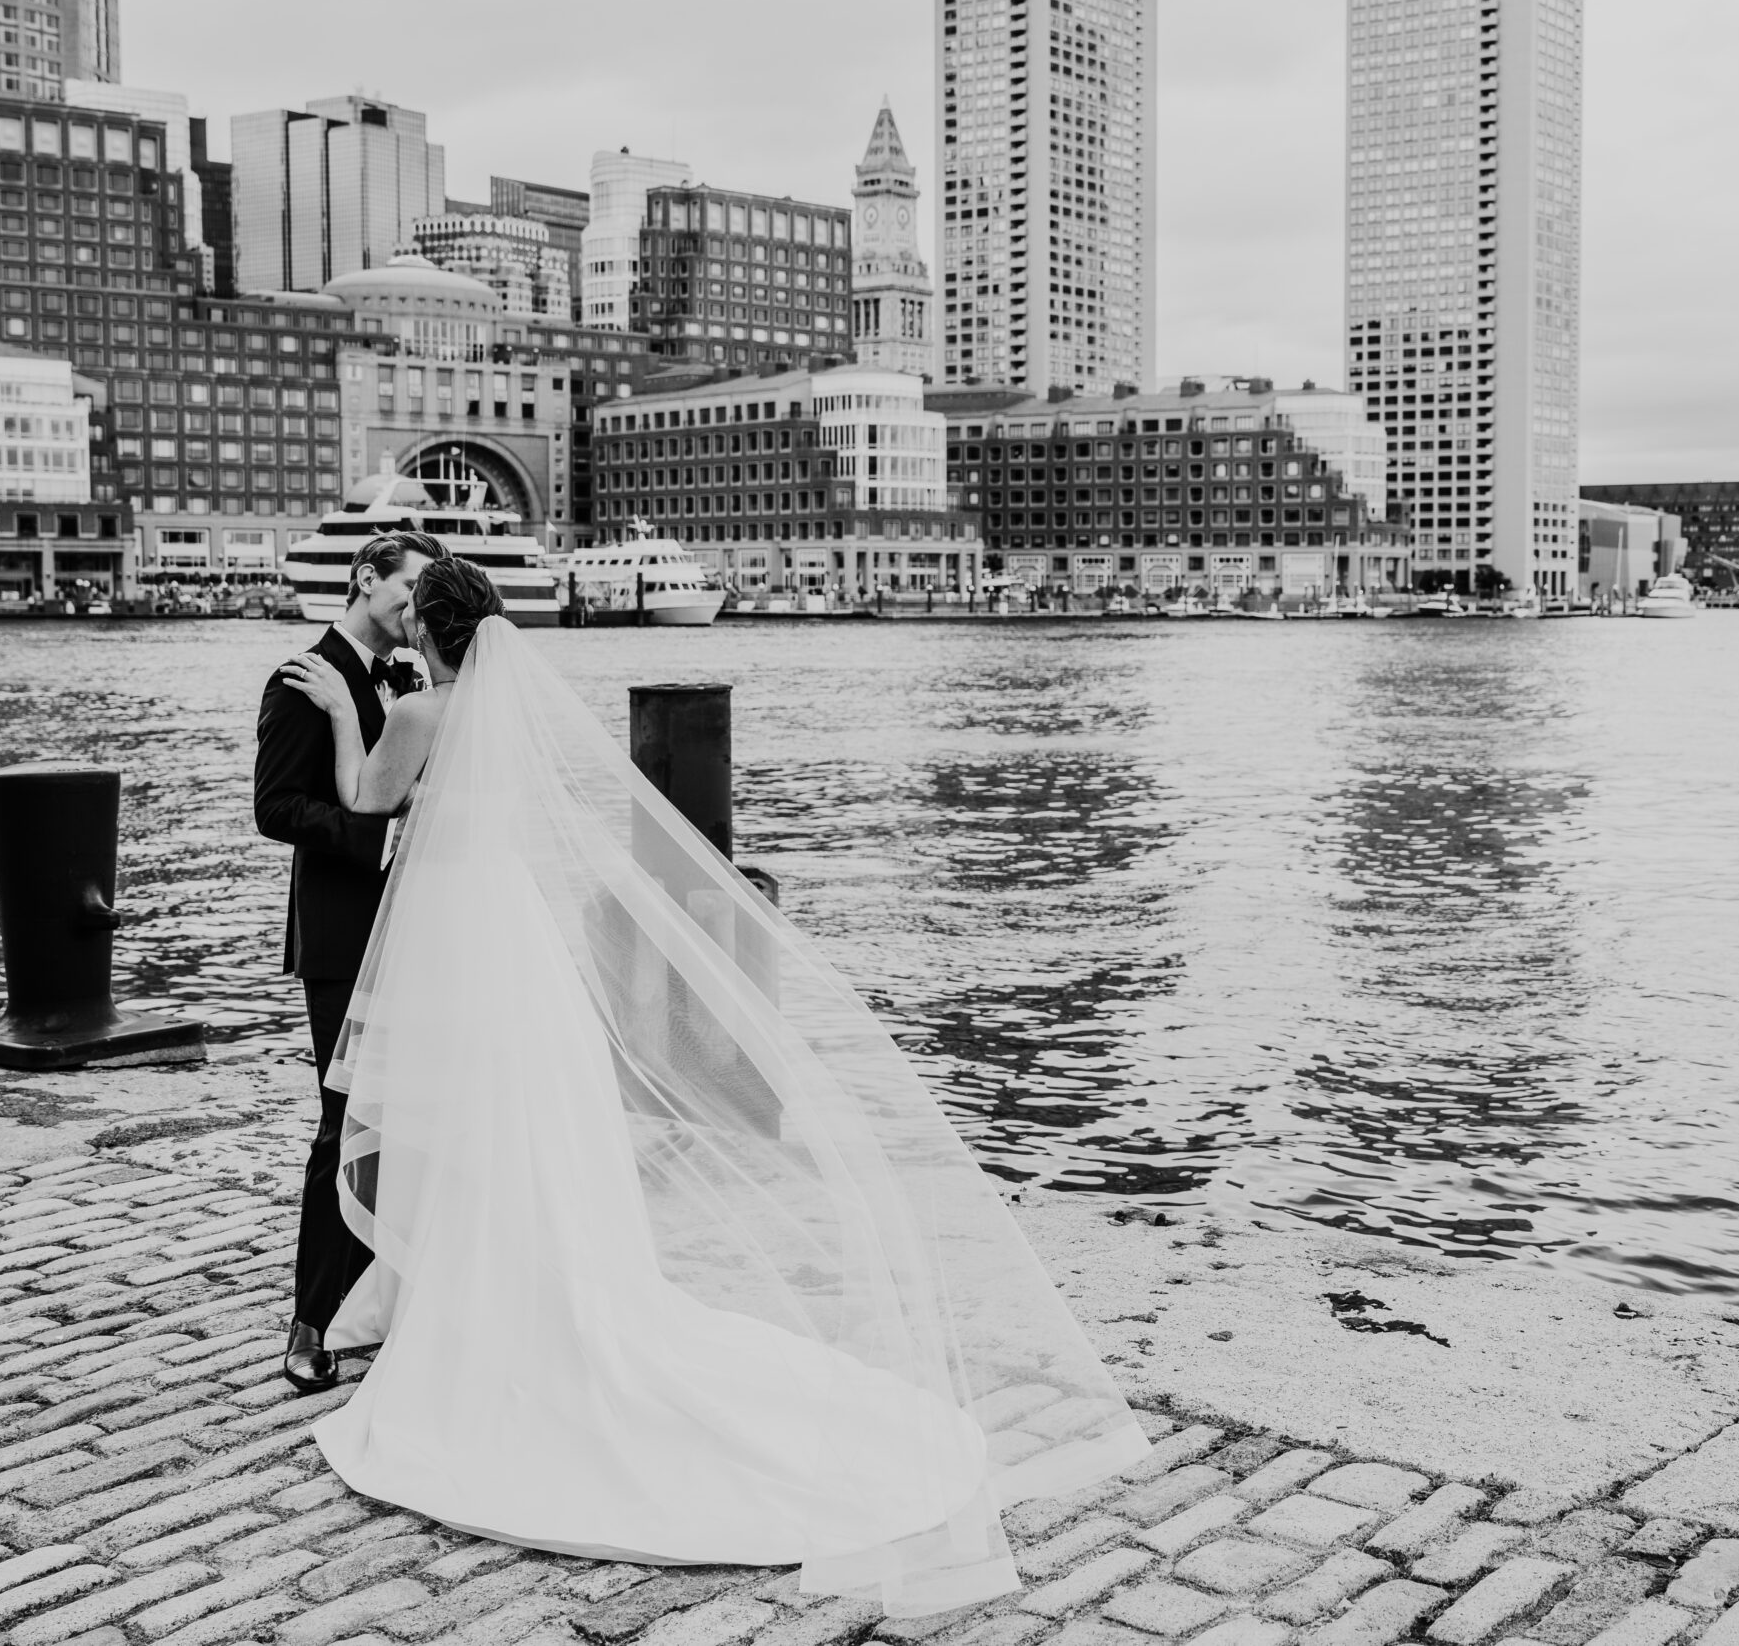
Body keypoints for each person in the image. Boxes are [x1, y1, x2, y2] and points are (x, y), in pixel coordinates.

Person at [270, 556, 1145, 1614]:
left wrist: (344, 711)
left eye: (413, 620)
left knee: (466, 1125)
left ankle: (464, 1312)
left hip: (450, 933)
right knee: (532, 1120)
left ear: (433, 632)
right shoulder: (498, 712)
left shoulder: (415, 713)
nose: (403, 633)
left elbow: (367, 802)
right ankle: (509, 1296)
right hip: (514, 932)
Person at [254, 529, 446, 1393]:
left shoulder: (409, 680)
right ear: (365, 580)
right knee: (344, 1122)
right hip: (341, 938)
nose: (414, 611)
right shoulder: (303, 677)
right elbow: (276, 806)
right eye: (405, 592)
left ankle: (388, 1292)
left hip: (422, 931)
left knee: (409, 1120)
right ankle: (310, 1321)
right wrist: (379, 839)